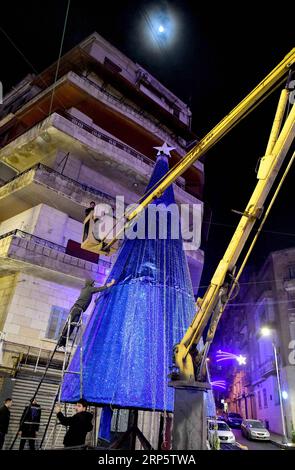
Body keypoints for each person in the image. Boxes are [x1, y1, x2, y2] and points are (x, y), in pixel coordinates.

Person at [57, 278, 116, 348]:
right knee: (69, 325)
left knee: (72, 327)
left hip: (79, 310)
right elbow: (100, 289)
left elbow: (92, 293)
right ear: (90, 283)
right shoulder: (89, 289)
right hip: (76, 309)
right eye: (93, 283)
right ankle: (60, 341)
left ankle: (63, 342)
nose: (94, 284)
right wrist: (111, 283)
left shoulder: (86, 289)